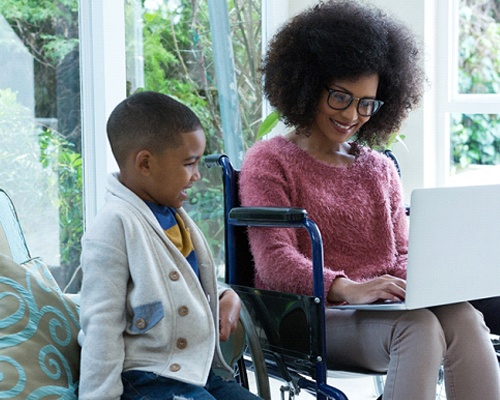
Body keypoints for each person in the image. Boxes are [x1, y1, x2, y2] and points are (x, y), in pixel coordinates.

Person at [239, 1, 500, 399]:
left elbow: (401, 254)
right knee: (419, 328)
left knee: (464, 316)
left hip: (380, 312)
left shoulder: (379, 168)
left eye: (367, 103)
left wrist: (425, 283)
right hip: (311, 315)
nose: (354, 115)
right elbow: (275, 264)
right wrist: (347, 287)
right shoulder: (269, 160)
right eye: (341, 97)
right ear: (308, 84)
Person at [78, 91, 261, 400]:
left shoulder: (174, 215)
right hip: (148, 378)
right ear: (146, 163)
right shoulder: (114, 225)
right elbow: (101, 324)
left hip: (196, 373)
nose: (196, 175)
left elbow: (178, 281)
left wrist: (224, 295)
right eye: (189, 164)